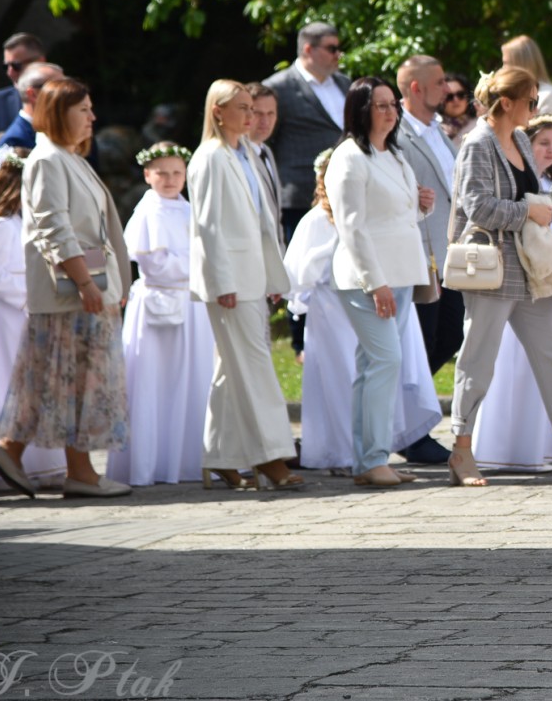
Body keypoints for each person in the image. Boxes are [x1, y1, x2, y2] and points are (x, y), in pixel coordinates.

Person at [0, 77, 134, 499]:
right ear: (57, 112)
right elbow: (53, 227)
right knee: (68, 380)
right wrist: (85, 281)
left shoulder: (67, 157)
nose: (92, 117)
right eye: (83, 109)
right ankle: (63, 466)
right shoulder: (48, 159)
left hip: (83, 291)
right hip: (71, 294)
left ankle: (55, 463)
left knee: (64, 380)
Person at [446, 65, 552, 486]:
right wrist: (529, 211)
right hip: (491, 269)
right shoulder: (478, 143)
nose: (536, 108)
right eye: (531, 101)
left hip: (531, 271)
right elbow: (475, 206)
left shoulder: (517, 139)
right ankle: (461, 448)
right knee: (478, 360)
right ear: (507, 103)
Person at [286, 150, 442, 474]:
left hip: (373, 299)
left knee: (377, 373)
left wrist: (420, 206)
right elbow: (299, 273)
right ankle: (345, 454)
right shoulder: (316, 220)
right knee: (340, 380)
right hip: (332, 311)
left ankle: (370, 453)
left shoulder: (371, 213)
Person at [324, 76, 437, 488]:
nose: (390, 112)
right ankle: (371, 459)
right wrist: (375, 283)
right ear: (361, 110)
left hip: (401, 274)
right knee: (385, 362)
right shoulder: (349, 157)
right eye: (381, 105)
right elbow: (351, 227)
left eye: (393, 104)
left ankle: (371, 458)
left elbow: (394, 218)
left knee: (377, 366)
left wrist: (422, 206)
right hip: (367, 278)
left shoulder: (394, 154)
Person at [189, 79, 301, 491]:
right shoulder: (210, 158)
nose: (250, 115)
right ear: (217, 111)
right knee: (255, 367)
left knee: (231, 368)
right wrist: (222, 281)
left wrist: (273, 275)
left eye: (251, 107)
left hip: (253, 275)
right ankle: (271, 456)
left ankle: (219, 455)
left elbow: (260, 220)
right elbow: (209, 226)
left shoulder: (246, 154)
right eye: (241, 107)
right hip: (231, 281)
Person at [476, 112, 552, 471]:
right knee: (502, 364)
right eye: (543, 142)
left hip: (550, 286)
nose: (550, 150)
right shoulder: (515, 185)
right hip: (512, 279)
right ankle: (501, 443)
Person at [106, 143, 216, 487]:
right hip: (159, 308)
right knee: (157, 381)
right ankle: (150, 463)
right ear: (147, 174)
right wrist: (196, 266)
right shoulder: (148, 212)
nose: (170, 180)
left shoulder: (187, 209)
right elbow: (156, 266)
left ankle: (187, 458)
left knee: (192, 378)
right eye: (162, 173)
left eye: (177, 173)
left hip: (192, 305)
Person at [0, 152, 68, 491]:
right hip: (7, 319)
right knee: (7, 385)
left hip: (21, 315)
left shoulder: (19, 223)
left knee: (21, 386)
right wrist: (36, 295)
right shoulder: (1, 227)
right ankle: (2, 465)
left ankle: (38, 463)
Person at [393, 54, 463, 464]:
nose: (447, 89)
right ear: (415, 88)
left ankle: (407, 420)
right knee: (423, 340)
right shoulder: (398, 133)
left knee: (448, 337)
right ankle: (409, 430)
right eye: (439, 83)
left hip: (450, 251)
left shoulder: (439, 130)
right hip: (422, 254)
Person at [262, 22, 350, 242]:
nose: (338, 54)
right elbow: (265, 140)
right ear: (308, 49)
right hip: (301, 197)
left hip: (345, 192)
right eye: (331, 49)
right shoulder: (277, 87)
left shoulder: (345, 84)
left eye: (339, 48)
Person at [0, 32, 45, 158]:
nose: (10, 72)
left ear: (40, 61)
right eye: (6, 66)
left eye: (16, 66)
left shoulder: (66, 100)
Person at [0, 62, 64, 163]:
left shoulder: (62, 128)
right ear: (33, 94)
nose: (66, 94)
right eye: (57, 88)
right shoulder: (14, 141)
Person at [244, 82, 285, 246]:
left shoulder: (266, 151)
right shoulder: (237, 155)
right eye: (258, 114)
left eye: (271, 114)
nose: (265, 121)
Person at [502, 34, 552, 119]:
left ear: (521, 64)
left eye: (506, 64)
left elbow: (549, 131)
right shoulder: (513, 95)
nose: (503, 69)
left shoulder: (549, 96)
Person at [440, 71, 479, 147]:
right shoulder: (434, 129)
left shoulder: (480, 125)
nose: (456, 100)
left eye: (460, 95)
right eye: (449, 97)